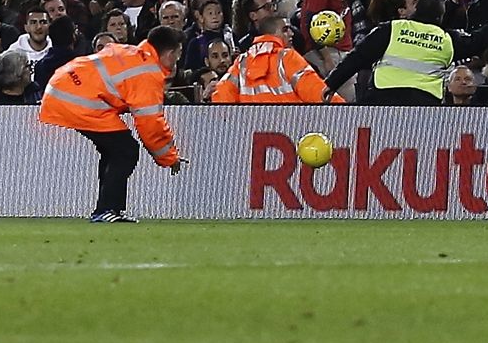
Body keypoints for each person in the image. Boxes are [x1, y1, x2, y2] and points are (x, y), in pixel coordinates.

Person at [38, 25, 188, 223]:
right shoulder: (147, 73)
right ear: (169, 53)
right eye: (177, 54)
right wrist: (169, 158)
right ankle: (107, 210)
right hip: (77, 100)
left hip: (62, 88)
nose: (177, 60)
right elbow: (151, 125)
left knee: (116, 149)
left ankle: (107, 210)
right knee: (126, 150)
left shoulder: (130, 52)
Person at [322, 0, 488, 105]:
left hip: (383, 99)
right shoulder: (446, 39)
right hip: (424, 105)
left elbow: (358, 57)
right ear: (440, 17)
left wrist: (332, 83)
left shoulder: (391, 29)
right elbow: (480, 38)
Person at [211, 13, 334, 103]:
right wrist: (347, 115)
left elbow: (222, 95)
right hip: (292, 129)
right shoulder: (287, 57)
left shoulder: (242, 61)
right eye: (285, 30)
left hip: (252, 133)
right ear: (272, 34)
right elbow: (317, 91)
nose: (291, 34)